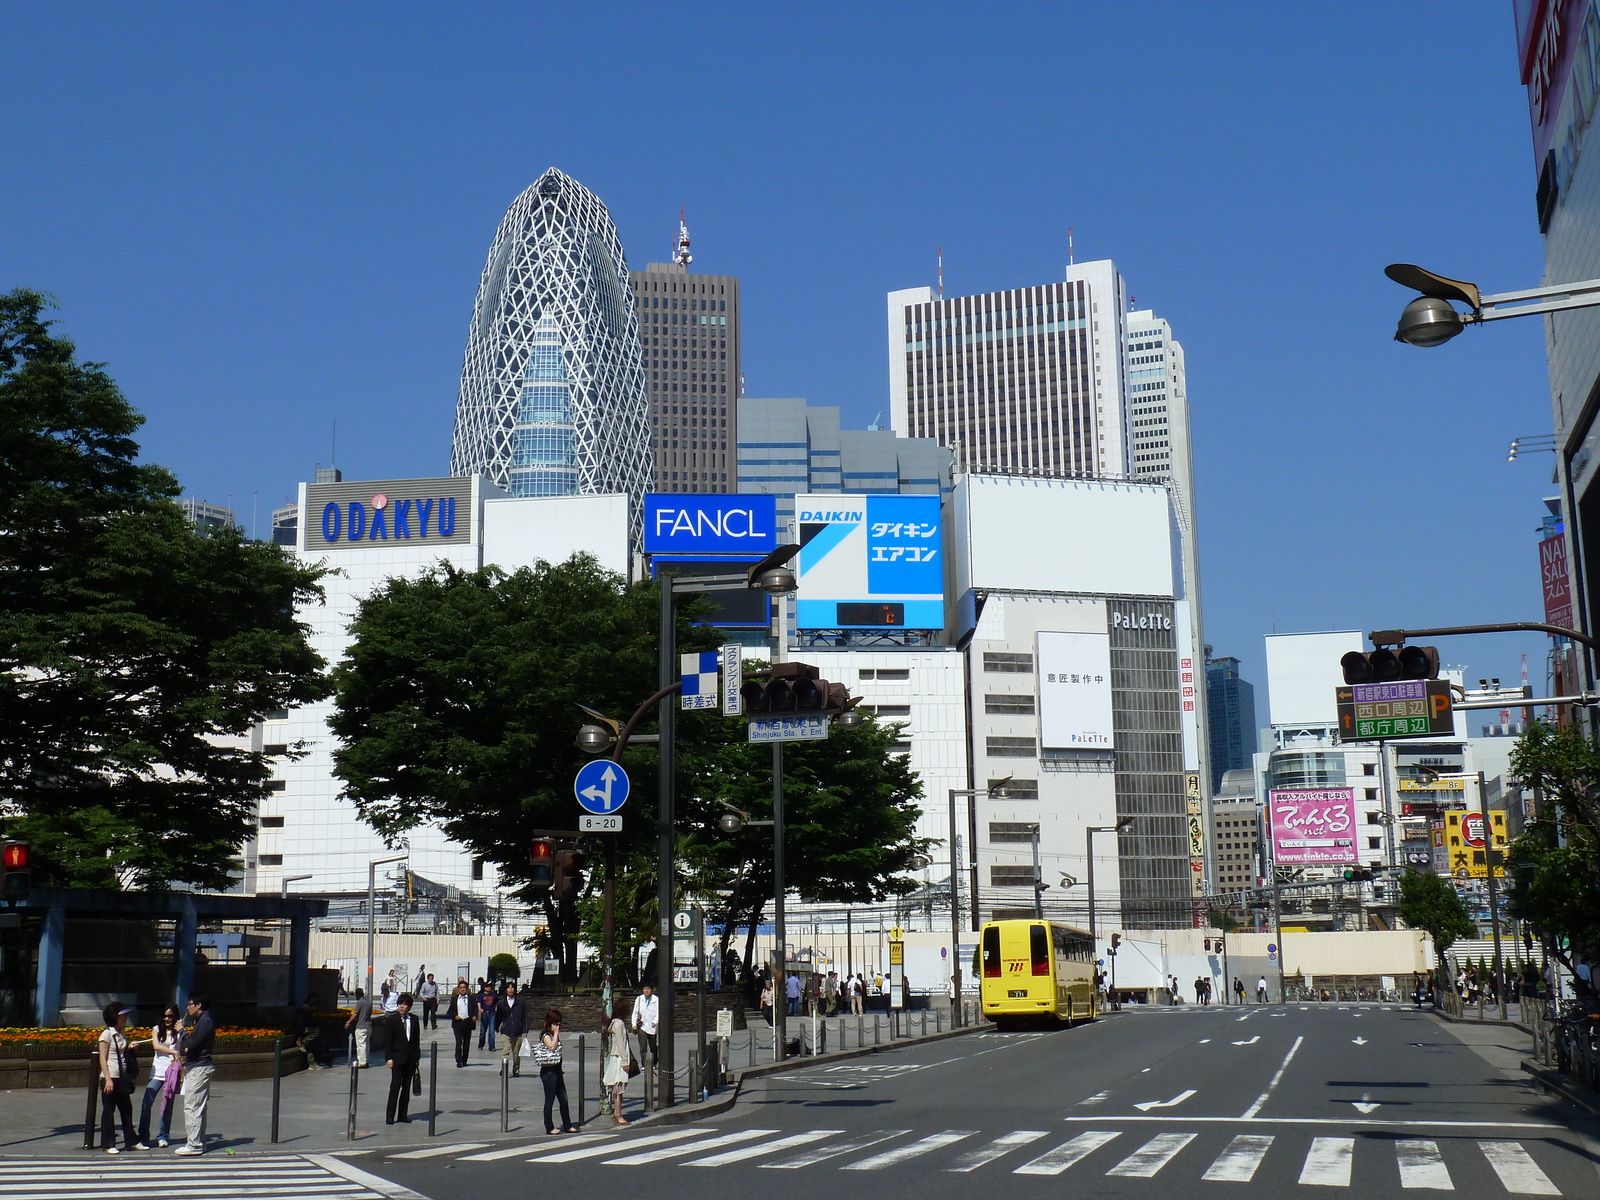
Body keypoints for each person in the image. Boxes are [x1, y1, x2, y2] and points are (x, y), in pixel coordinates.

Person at [97, 1003, 140, 1153]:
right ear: (115, 1017)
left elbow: (121, 1052)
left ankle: (132, 1141)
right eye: (123, 1015)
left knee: (126, 1109)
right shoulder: (106, 1035)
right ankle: (108, 1144)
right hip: (111, 1076)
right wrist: (107, 1079)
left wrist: (129, 1047)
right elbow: (103, 1058)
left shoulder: (122, 1033)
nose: (126, 1017)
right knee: (109, 1110)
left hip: (122, 1076)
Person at [174, 992, 215, 1155]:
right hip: (199, 1066)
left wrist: (182, 1031)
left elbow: (192, 1043)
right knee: (198, 1106)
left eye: (190, 1005)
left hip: (199, 1068)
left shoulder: (205, 1021)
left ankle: (194, 1144)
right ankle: (199, 1140)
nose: (187, 1008)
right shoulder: (202, 1020)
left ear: (199, 1005)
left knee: (192, 1106)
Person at [135, 1006, 181, 1148]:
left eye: (170, 1016)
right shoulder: (156, 1029)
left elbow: (185, 1048)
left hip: (172, 1072)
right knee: (146, 1102)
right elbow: (156, 1046)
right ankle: (143, 1135)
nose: (167, 1019)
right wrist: (173, 1051)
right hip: (158, 1072)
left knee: (167, 1105)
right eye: (165, 1016)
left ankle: (163, 1135)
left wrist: (183, 1032)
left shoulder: (179, 1031)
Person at [536, 1009, 578, 1134]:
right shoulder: (545, 1035)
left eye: (559, 1023)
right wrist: (556, 1033)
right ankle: (549, 1126)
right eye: (555, 1023)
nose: (558, 1025)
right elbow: (552, 1047)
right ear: (550, 1023)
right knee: (549, 1099)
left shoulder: (553, 1034)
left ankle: (567, 1124)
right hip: (548, 1072)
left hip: (557, 1071)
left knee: (563, 1099)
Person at [382, 993, 422, 1124]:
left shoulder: (414, 1020)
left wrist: (417, 1057)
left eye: (404, 1004)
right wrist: (389, 1058)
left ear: (409, 1006)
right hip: (397, 1058)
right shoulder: (392, 1020)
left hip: (410, 1058)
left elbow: (416, 1040)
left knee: (406, 1087)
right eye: (400, 1004)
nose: (402, 1007)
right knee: (395, 1085)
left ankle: (402, 1115)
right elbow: (388, 1041)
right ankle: (389, 1115)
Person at [601, 1010, 631, 1126]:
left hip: (617, 1057)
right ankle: (618, 1114)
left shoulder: (615, 1023)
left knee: (618, 1088)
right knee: (618, 1087)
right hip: (619, 1057)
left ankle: (617, 1113)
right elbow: (620, 1043)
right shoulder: (618, 1024)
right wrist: (625, 1060)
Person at [496, 981, 530, 1076]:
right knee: (505, 1050)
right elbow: (498, 1016)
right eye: (508, 987)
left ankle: (516, 1069)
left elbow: (525, 1016)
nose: (510, 989)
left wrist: (525, 1029)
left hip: (517, 1030)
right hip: (506, 1030)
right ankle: (504, 1068)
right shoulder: (502, 1003)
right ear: (505, 990)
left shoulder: (520, 1002)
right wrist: (497, 1026)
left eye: (512, 987)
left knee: (516, 1053)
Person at [293, 992, 331, 1068]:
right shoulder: (304, 1011)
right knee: (316, 1032)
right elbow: (300, 1025)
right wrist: (300, 1038)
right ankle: (304, 1043)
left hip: (306, 1031)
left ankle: (313, 1063)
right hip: (302, 1030)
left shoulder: (308, 1010)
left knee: (312, 1044)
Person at [449, 981, 475, 1067]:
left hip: (467, 1022)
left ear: (466, 989)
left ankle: (464, 1060)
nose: (462, 989)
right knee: (458, 1042)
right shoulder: (455, 999)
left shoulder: (471, 998)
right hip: (458, 1023)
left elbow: (474, 1009)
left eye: (464, 987)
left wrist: (474, 1016)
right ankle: (458, 1060)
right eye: (461, 988)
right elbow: (450, 1011)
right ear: (458, 989)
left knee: (466, 1043)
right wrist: (455, 1016)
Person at [345, 987, 373, 1067]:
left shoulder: (360, 1002)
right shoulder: (368, 1002)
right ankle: (366, 1060)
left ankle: (362, 1062)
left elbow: (355, 1013)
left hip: (361, 1026)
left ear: (357, 995)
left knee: (361, 1044)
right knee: (367, 1044)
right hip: (368, 1025)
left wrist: (348, 1022)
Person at [631, 984, 660, 1062]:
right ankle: (644, 1064)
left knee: (653, 1046)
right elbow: (635, 1012)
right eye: (645, 989)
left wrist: (655, 1021)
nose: (646, 991)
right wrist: (634, 1024)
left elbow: (658, 1011)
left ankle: (654, 1062)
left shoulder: (656, 999)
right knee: (643, 1046)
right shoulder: (639, 999)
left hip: (653, 1026)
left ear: (651, 990)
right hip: (642, 1026)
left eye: (648, 989)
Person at [476, 981, 498, 1051]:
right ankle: (481, 1045)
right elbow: (479, 1003)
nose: (488, 988)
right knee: (483, 1031)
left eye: (489, 986)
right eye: (487, 986)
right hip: (484, 1013)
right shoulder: (481, 995)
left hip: (492, 1013)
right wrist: (479, 1009)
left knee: (492, 1031)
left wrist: (496, 1009)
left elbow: (496, 1003)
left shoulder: (494, 995)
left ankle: (491, 1046)